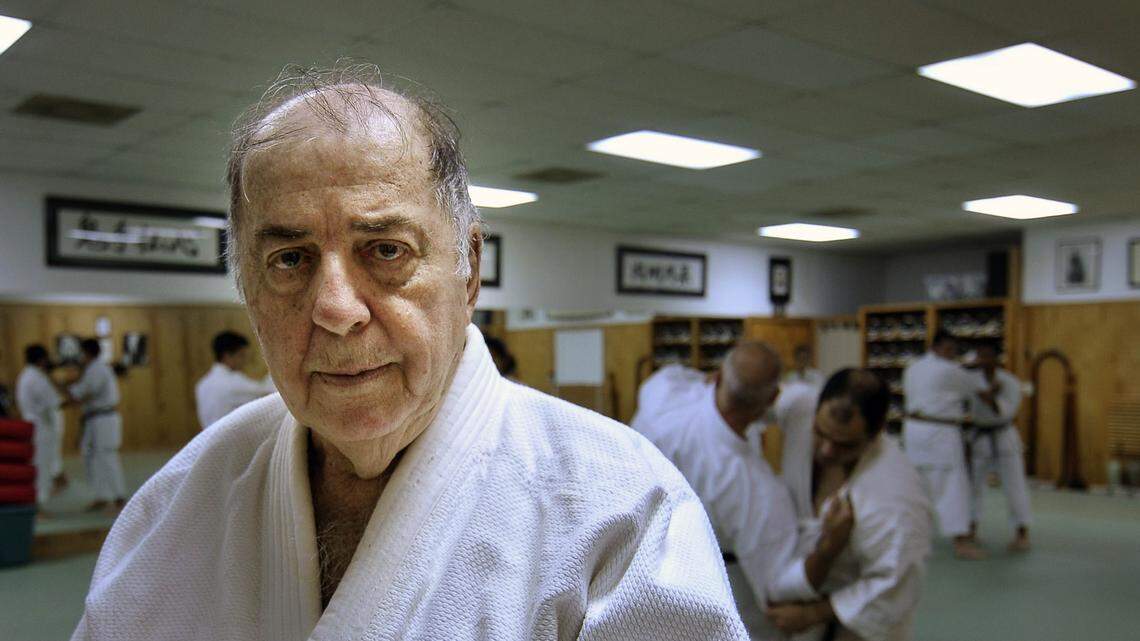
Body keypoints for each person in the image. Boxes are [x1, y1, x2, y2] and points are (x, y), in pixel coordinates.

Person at [72, 65, 748, 641]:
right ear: (247, 288)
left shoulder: (622, 512)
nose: (335, 306)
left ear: (469, 268)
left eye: (385, 250)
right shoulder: (179, 505)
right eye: (289, 259)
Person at [632, 342, 853, 640]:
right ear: (774, 398)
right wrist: (829, 549)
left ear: (719, 376)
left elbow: (675, 374)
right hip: (713, 577)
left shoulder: (665, 391)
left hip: (637, 558)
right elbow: (780, 584)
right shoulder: (751, 485)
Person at [769, 369, 934, 641]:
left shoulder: (894, 496)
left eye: (844, 445)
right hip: (798, 581)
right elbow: (758, 400)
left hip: (854, 618)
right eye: (821, 434)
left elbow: (894, 585)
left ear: (876, 432)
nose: (826, 450)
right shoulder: (800, 406)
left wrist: (813, 614)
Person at [902, 330, 986, 559]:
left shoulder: (913, 367)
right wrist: (977, 365)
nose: (952, 354)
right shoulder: (951, 370)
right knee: (952, 486)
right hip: (940, 432)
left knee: (919, 486)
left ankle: (913, 538)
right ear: (937, 348)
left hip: (913, 432)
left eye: (954, 351)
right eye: (949, 350)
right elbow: (975, 388)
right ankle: (961, 542)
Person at [967, 344, 1032, 551]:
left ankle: (1022, 533)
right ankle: (971, 530)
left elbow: (1004, 412)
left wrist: (989, 397)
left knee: (1014, 486)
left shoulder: (1010, 382)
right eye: (979, 356)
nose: (982, 360)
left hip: (1004, 436)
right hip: (978, 437)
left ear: (996, 359)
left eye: (987, 356)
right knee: (973, 487)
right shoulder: (970, 381)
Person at [65, 338, 127, 513]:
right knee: (90, 457)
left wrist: (65, 389)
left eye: (82, 353)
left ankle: (119, 497)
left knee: (107, 456)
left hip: (103, 418)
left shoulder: (98, 369)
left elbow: (83, 392)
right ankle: (101, 496)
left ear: (87, 353)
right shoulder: (92, 369)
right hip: (93, 419)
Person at [15, 344, 67, 505]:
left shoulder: (27, 375)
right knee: (42, 467)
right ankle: (37, 504)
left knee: (41, 465)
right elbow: (54, 402)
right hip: (41, 428)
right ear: (42, 359)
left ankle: (39, 501)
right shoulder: (36, 378)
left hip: (35, 426)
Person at [194, 331, 276, 428]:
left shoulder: (202, 384)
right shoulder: (232, 382)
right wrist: (276, 368)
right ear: (227, 356)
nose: (245, 361)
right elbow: (268, 391)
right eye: (241, 355)